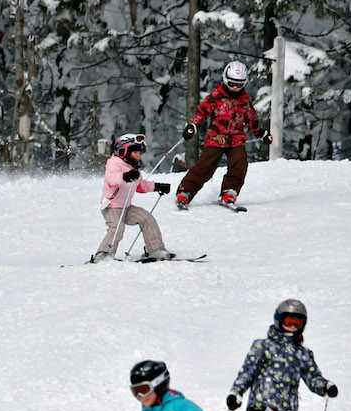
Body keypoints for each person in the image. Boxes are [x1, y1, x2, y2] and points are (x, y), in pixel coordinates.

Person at [176, 60, 272, 210]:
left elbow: (251, 119)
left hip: (236, 138)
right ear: (225, 80)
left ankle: (229, 191)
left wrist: (261, 133)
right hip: (216, 136)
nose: (234, 88)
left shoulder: (244, 100)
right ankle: (185, 191)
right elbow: (202, 112)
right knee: (206, 166)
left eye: (239, 85)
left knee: (240, 164)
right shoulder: (216, 96)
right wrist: (193, 125)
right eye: (232, 84)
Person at [91, 133, 173, 263]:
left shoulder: (133, 168)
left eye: (139, 152)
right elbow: (112, 179)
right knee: (117, 227)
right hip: (111, 206)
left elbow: (141, 186)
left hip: (126, 207)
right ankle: (103, 254)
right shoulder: (114, 163)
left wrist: (157, 186)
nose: (138, 155)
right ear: (124, 151)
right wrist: (125, 176)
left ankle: (156, 249)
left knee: (146, 218)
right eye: (135, 152)